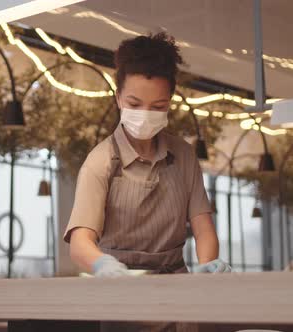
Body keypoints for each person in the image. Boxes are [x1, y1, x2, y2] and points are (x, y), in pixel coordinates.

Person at [64, 32, 230, 330]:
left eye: (157, 107)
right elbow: (80, 242)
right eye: (135, 103)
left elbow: (204, 231)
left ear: (169, 104)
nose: (145, 115)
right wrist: (104, 265)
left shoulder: (183, 155)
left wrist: (206, 266)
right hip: (122, 299)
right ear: (118, 98)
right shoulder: (100, 161)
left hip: (179, 297)